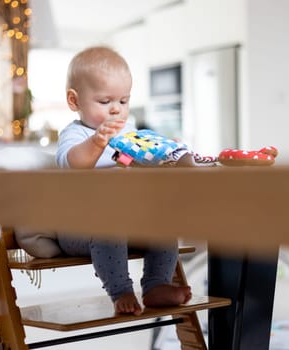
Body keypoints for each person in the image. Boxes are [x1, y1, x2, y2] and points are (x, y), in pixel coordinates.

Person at [55, 46, 192, 316]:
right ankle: (121, 291)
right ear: (74, 100)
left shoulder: (129, 134)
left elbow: (134, 165)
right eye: (105, 102)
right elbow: (74, 164)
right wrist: (97, 142)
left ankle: (156, 285)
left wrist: (166, 154)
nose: (116, 110)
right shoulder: (75, 135)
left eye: (124, 101)